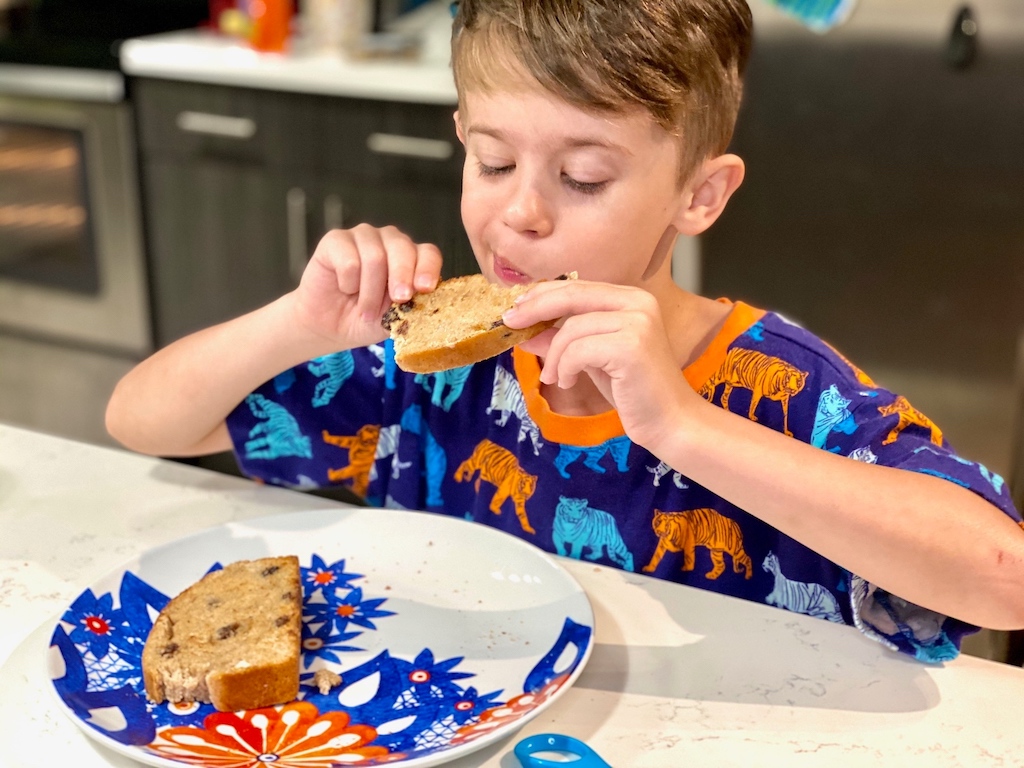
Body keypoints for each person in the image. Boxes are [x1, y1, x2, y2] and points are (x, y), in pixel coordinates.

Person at [106, 0, 1024, 663]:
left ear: (700, 194)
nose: (522, 214)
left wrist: (682, 426)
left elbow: (1000, 578)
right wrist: (297, 323)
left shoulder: (777, 387)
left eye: (584, 177)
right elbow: (146, 422)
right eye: (494, 161)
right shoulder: (426, 374)